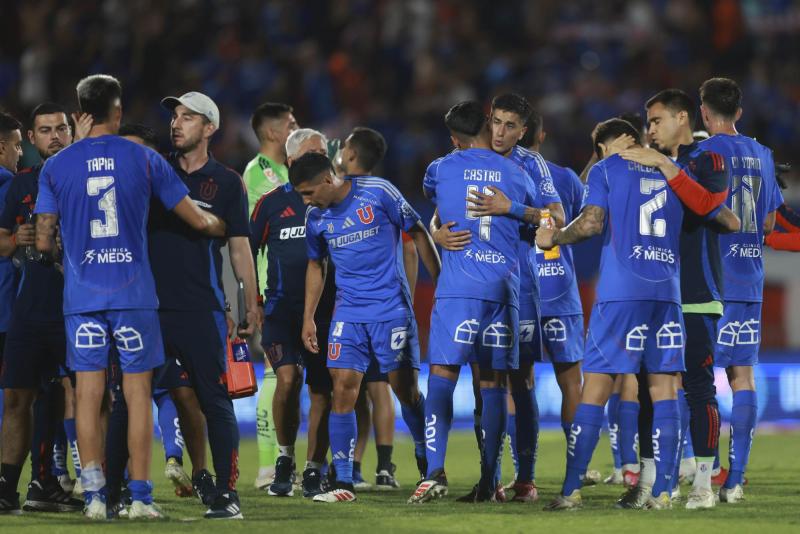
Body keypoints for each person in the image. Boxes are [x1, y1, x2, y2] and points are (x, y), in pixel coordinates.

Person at [32, 74, 226, 520]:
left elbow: (43, 241)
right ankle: (139, 497)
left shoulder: (56, 166)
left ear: (79, 111)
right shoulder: (143, 158)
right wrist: (224, 224)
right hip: (134, 295)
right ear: (118, 111)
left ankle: (96, 497)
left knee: (87, 394)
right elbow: (197, 220)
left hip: (82, 297)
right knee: (138, 394)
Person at [539, 118, 685, 511]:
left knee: (597, 387)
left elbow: (591, 222)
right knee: (664, 390)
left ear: (603, 148)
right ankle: (663, 492)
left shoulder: (606, 169)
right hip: (667, 292)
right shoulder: (674, 170)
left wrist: (554, 236)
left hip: (622, 292)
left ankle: (571, 490)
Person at [616, 89, 739, 509]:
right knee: (649, 389)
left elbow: (709, 205)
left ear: (682, 117)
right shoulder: (648, 164)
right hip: (653, 291)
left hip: (696, 293)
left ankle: (704, 483)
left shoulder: (709, 159)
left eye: (655, 120)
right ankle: (648, 483)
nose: (649, 129)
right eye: (647, 122)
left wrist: (665, 165)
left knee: (699, 387)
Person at [293, 152, 440, 503]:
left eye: (309, 192)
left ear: (328, 180)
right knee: (342, 388)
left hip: (391, 310)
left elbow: (417, 232)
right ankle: (343, 481)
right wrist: (308, 316)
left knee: (404, 390)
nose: (306, 201)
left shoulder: (378, 192)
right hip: (349, 313)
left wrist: (443, 286)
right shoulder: (316, 216)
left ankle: (427, 459)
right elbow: (316, 266)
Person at [409, 101, 536, 504]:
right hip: (503, 290)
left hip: (458, 287)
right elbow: (544, 222)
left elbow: (438, 206)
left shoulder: (441, 167)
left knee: (443, 376)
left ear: (454, 139)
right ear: (487, 124)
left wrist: (438, 232)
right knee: (495, 383)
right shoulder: (518, 173)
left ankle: (433, 472)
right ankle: (489, 480)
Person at [151, 91, 258, 519]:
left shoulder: (228, 183)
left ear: (209, 128)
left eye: (188, 117)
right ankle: (133, 488)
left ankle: (226, 492)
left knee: (215, 400)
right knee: (138, 397)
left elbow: (239, 249)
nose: (176, 124)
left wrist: (248, 302)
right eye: (174, 117)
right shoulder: (153, 171)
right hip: (148, 308)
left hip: (201, 308)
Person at [698, 77, 783, 503]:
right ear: (740, 112)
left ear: (703, 112)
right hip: (750, 277)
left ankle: (706, 468)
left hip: (711, 281)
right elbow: (769, 225)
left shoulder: (702, 153)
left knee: (694, 376)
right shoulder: (763, 154)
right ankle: (737, 478)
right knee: (743, 377)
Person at [249, 127, 332, 498]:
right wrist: (248, 302)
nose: (324, 159)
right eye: (316, 153)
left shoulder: (334, 199)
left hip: (328, 311)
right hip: (281, 310)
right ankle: (284, 459)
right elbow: (245, 251)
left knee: (322, 391)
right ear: (294, 158)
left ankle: (314, 468)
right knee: (286, 380)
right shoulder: (270, 203)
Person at [338, 127, 412, 491]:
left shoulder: (375, 192)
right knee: (370, 388)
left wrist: (405, 300)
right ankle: (362, 467)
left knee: (376, 387)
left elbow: (413, 245)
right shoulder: (344, 193)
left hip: (377, 307)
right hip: (360, 308)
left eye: (343, 146)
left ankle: (379, 466)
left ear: (351, 154)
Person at [244, 102, 297, 491]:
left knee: (289, 378)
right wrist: (253, 296)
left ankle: (288, 462)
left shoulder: (284, 169)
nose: (297, 128)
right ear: (274, 133)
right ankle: (267, 466)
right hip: (271, 287)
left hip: (294, 287)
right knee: (275, 376)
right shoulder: (257, 173)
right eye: (291, 124)